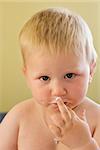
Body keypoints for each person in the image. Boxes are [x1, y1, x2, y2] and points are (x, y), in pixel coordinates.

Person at [0, 7, 100, 150]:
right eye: (45, 78)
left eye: (69, 75)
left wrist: (84, 144)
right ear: (27, 76)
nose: (58, 91)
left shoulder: (97, 119)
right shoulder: (18, 117)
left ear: (90, 71)